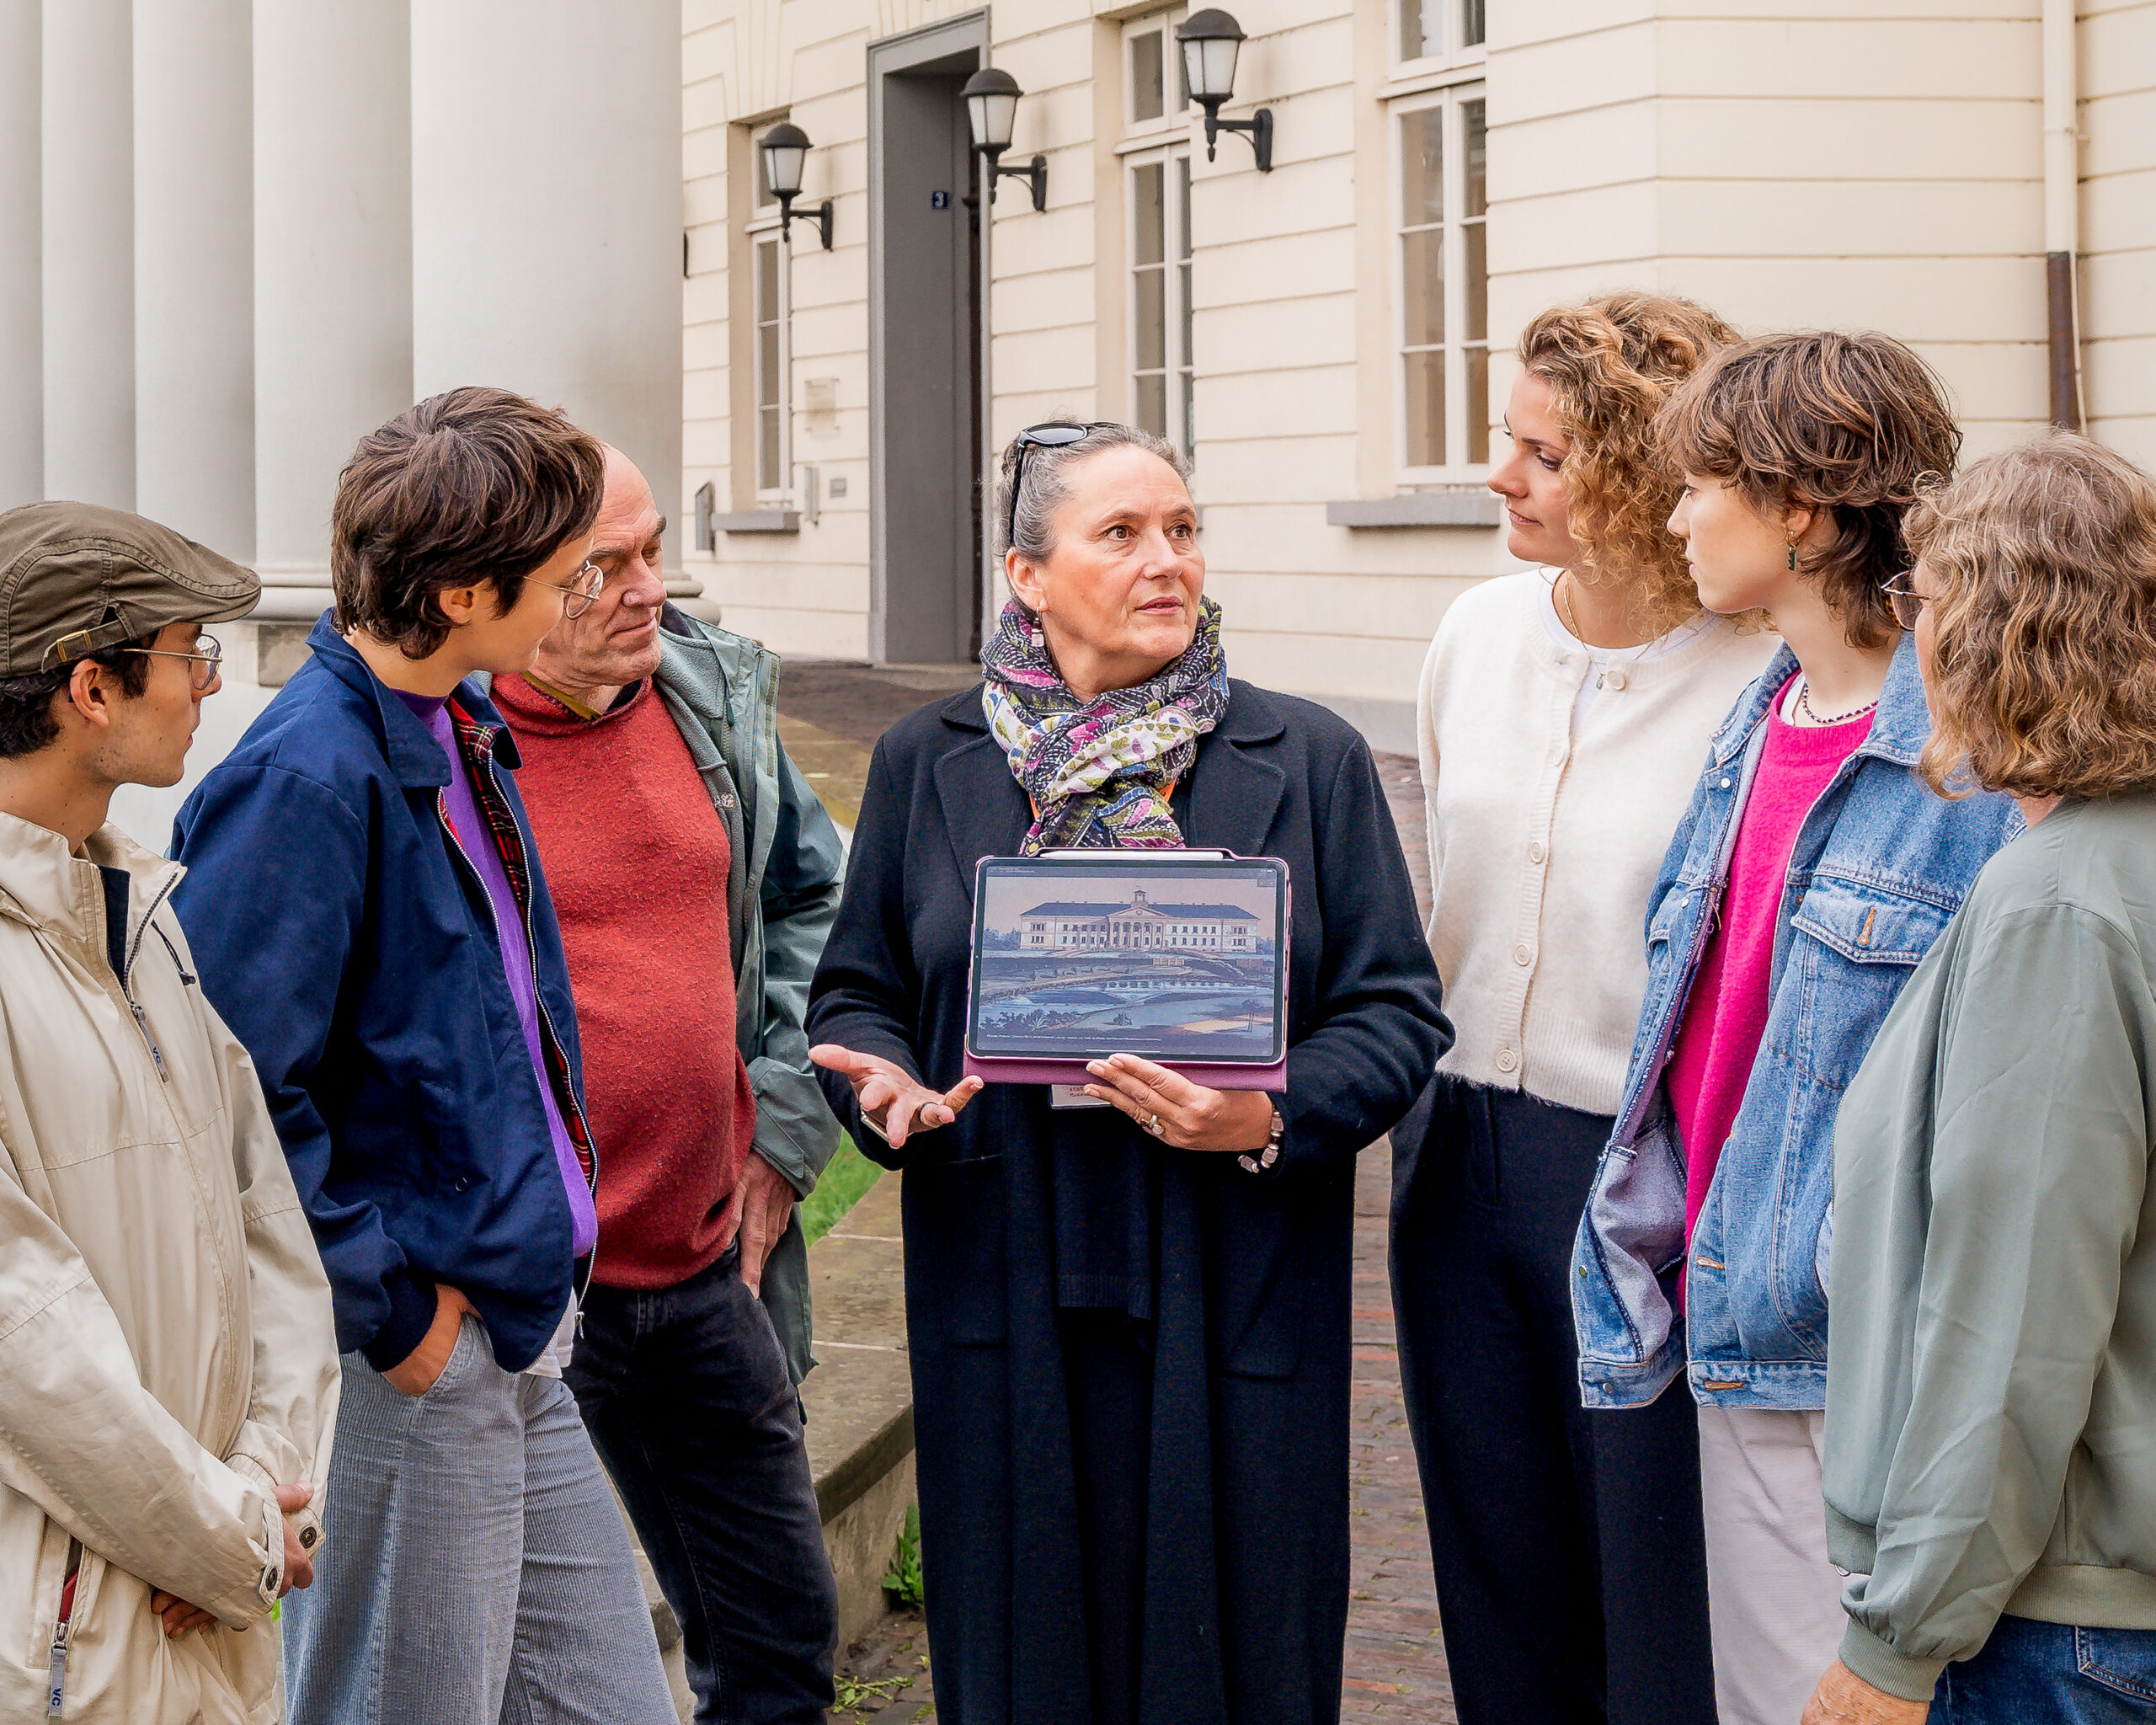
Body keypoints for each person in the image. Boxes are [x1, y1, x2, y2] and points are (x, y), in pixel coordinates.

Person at [806, 420, 1448, 1725]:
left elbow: (1395, 1013)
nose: (1170, 560)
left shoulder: (1307, 761)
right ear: (1026, 576)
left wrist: (1269, 1113)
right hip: (1010, 1253)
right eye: (1123, 533)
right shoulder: (930, 763)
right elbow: (859, 991)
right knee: (1023, 1652)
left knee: (1238, 1652)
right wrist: (883, 1088)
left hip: (1230, 1264)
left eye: (1184, 529)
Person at [169, 389, 677, 1725]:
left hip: (514, 1336)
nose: (589, 585)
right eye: (566, 568)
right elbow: (229, 1093)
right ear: (462, 593)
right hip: (423, 1359)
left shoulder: (454, 719)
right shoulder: (308, 779)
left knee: (620, 1705)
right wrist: (395, 1319)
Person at [1571, 331, 2018, 1725]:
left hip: (1868, 1351)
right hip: (1738, 1301)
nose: (1676, 513)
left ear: (1806, 512)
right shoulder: (1761, 713)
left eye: (1704, 482)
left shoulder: (1973, 763)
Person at [1393, 291, 1765, 1724]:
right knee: (1494, 1565)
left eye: (1543, 455)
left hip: (1641, 1171)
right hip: (1455, 1156)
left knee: (1654, 1570)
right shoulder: (1474, 634)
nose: (1503, 477)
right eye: (1509, 442)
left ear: (1641, 473)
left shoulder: (1756, 675)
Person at [1801, 435, 2156, 1725]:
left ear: (2000, 629)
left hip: (2064, 1620)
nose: (1911, 636)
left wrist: (1897, 1643)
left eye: (1925, 599)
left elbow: (2012, 1310)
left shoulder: (2062, 904)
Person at [491, 444, 846, 1723]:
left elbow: (820, 897)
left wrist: (786, 1127)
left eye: (658, 549)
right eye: (612, 566)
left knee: (779, 1650)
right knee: (547, 1678)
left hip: (707, 1280)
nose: (657, 589)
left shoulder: (703, 693)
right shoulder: (439, 746)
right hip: (535, 1308)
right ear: (511, 582)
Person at [0, 502, 338, 1725]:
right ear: (90, 685)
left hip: (203, 1604)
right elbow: (25, 1342)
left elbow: (268, 1224)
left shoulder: (139, 911)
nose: (206, 684)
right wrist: (226, 1536)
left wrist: (267, 1492)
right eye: (186, 653)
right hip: (64, 1633)